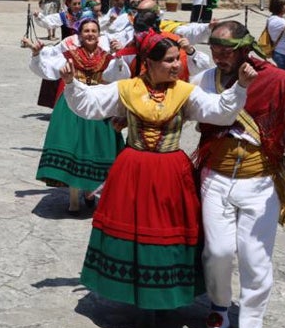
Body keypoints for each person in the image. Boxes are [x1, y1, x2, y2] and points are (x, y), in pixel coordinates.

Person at [62, 33, 255, 313]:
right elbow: (90, 103)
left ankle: (163, 297)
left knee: (166, 231)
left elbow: (219, 111)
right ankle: (133, 292)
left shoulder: (185, 92)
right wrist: (70, 83)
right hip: (133, 169)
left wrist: (241, 87)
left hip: (170, 171)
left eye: (178, 58)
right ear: (149, 64)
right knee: (133, 230)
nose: (177, 65)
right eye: (169, 60)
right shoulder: (127, 89)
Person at [195, 23, 285, 328]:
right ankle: (220, 304)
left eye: (227, 51)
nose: (219, 58)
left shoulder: (278, 80)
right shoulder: (208, 78)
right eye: (215, 51)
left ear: (245, 48)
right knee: (217, 251)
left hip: (260, 182)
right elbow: (189, 104)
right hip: (215, 177)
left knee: (255, 259)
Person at [23, 17, 126, 213]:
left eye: (93, 31)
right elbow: (48, 70)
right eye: (86, 31)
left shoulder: (107, 57)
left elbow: (120, 77)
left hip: (98, 103)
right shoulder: (69, 55)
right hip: (71, 104)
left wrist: (119, 56)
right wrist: (36, 55)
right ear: (80, 35)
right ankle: (73, 198)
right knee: (73, 147)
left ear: (99, 35)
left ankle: (90, 190)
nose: (90, 34)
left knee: (97, 147)